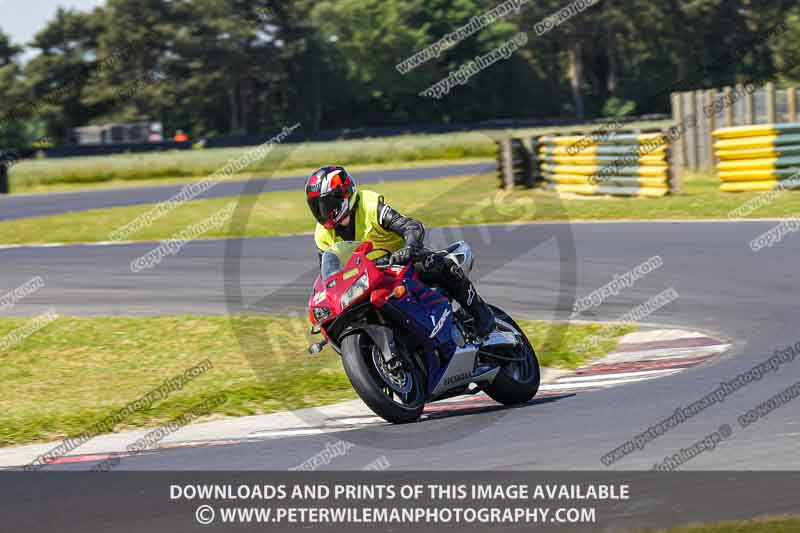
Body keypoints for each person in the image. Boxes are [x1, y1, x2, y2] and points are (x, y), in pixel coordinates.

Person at [305, 165, 495, 338]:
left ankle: (482, 314)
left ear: (343, 194)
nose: (323, 212)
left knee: (435, 265)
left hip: (401, 261)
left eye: (326, 204)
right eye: (317, 207)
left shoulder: (368, 205)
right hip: (365, 279)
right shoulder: (322, 234)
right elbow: (328, 276)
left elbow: (410, 226)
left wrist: (410, 248)